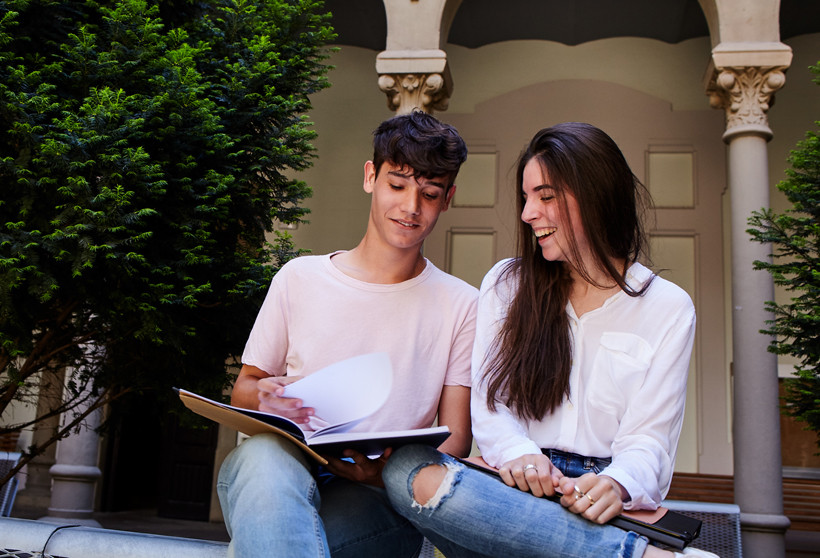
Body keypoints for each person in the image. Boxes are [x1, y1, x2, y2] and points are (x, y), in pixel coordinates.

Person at [382, 122, 717, 558]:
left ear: (596, 194)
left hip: (599, 500)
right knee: (407, 469)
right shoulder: (506, 284)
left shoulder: (668, 307)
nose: (527, 213)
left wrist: (616, 484)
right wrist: (520, 456)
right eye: (525, 197)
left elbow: (649, 440)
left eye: (545, 195)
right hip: (512, 488)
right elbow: (490, 405)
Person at [216, 111, 478, 558]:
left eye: (429, 194)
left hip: (381, 494)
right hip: (285, 464)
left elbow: (455, 438)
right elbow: (245, 386)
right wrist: (268, 397)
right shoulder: (298, 278)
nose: (411, 207)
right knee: (260, 458)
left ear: (447, 198)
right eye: (397, 185)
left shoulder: (462, 304)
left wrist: (380, 475)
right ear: (370, 177)